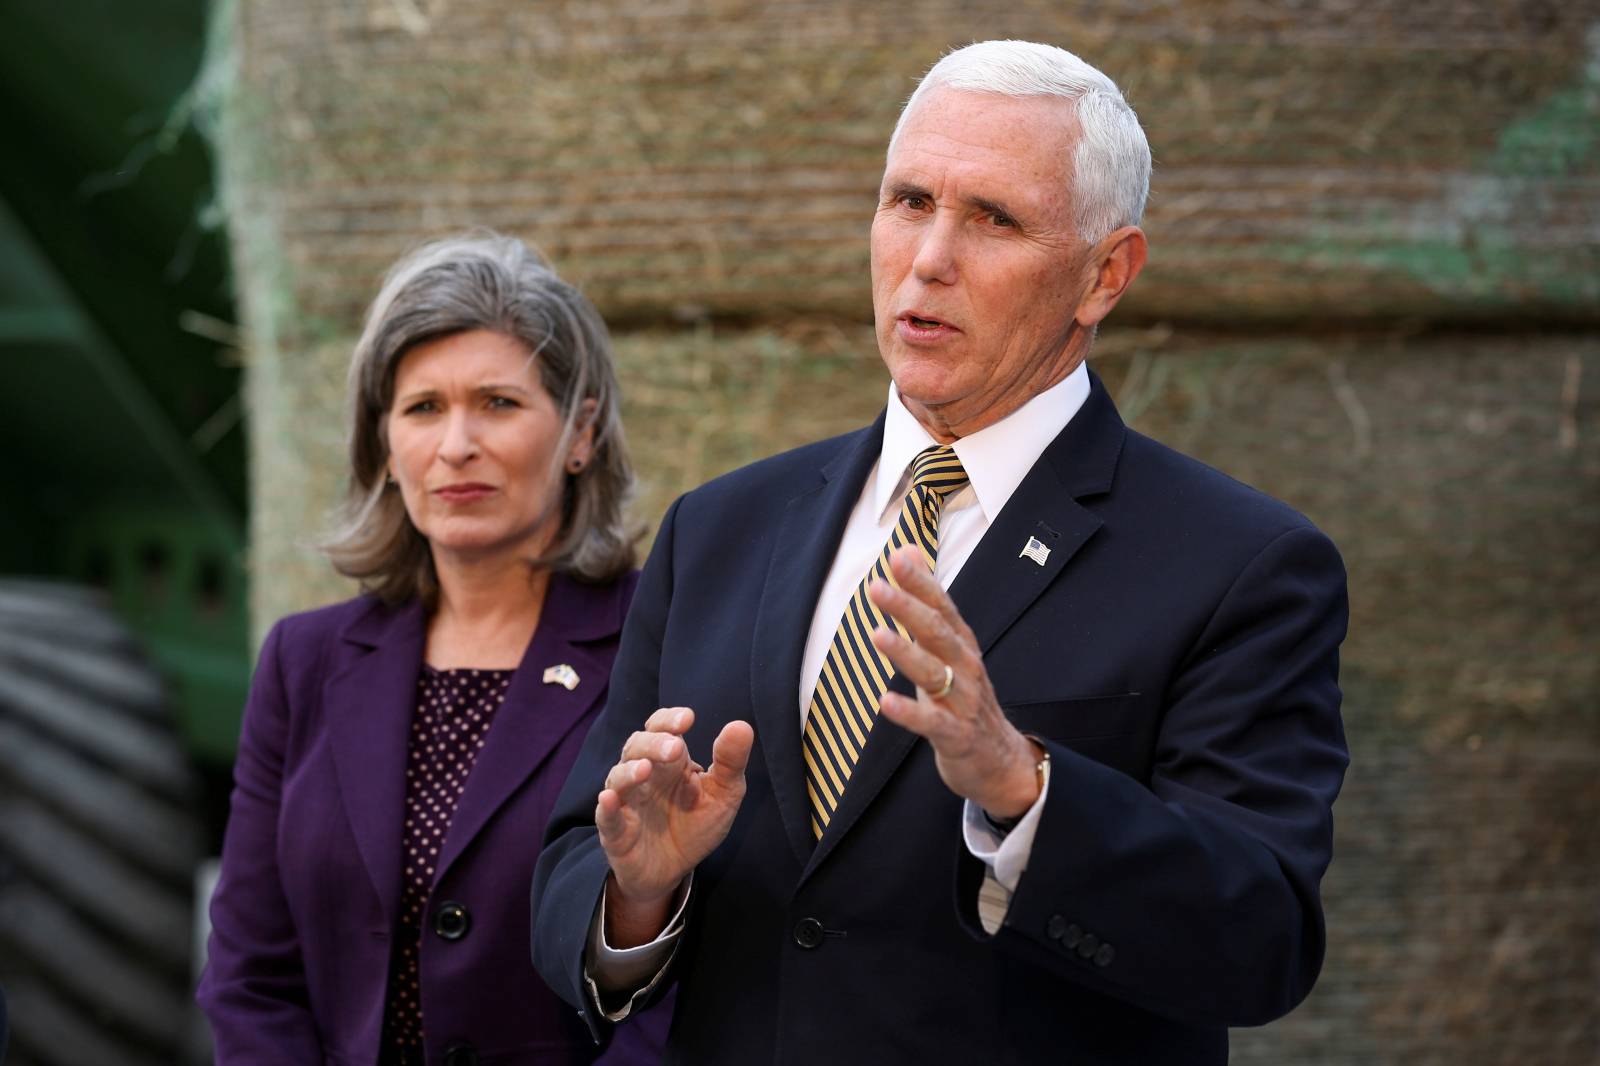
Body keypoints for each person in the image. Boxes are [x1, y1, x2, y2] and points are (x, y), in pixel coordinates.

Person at [532, 40, 1349, 1065]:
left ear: (1106, 273)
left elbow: (1258, 941)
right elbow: (572, 866)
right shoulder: (720, 528)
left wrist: (1021, 786)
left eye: (992, 218)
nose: (928, 257)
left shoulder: (1242, 564)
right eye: (908, 201)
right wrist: (637, 891)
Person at [198, 233, 670, 1065]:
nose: (456, 444)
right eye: (423, 409)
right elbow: (249, 973)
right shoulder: (302, 663)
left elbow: (691, 975)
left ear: (581, 433)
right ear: (384, 445)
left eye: (497, 403)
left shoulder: (663, 644)